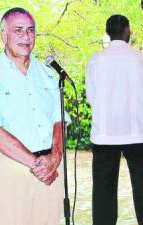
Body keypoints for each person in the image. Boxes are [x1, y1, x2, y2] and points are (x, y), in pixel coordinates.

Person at [0, 7, 70, 225]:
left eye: (31, 30)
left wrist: (55, 156)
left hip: (50, 170)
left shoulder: (47, 74)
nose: (26, 37)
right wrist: (37, 164)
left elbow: (59, 120)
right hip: (10, 168)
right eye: (18, 30)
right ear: (3, 35)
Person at [86, 14, 143, 225]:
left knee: (103, 189)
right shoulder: (140, 58)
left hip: (105, 134)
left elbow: (91, 97)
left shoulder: (96, 59)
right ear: (127, 30)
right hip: (138, 132)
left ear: (108, 32)